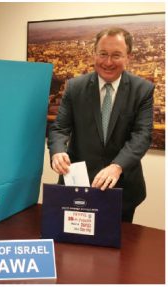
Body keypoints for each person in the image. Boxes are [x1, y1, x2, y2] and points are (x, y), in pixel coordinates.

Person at [47, 27, 154, 222]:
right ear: (94, 54)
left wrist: (117, 166)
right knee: (73, 249)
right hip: (77, 186)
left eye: (116, 55)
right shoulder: (74, 87)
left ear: (128, 57)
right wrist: (57, 151)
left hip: (122, 188)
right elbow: (60, 128)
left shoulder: (142, 90)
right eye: (103, 54)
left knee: (119, 249)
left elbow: (142, 135)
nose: (108, 62)